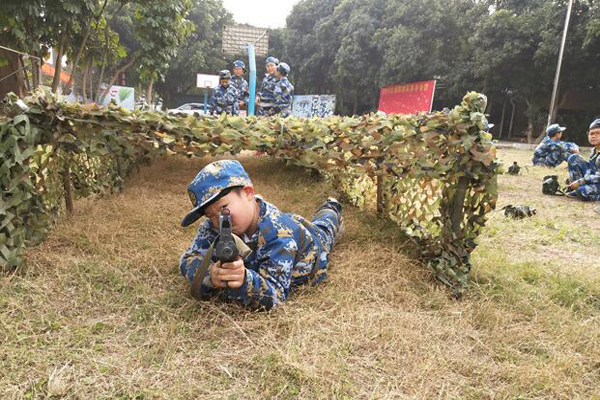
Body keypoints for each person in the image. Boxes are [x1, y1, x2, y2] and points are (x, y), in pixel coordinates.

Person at [179, 160, 343, 310]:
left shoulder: (280, 235)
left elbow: (276, 296)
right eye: (210, 216)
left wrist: (244, 280)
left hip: (313, 241)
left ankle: (332, 206)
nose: (218, 220)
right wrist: (210, 275)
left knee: (325, 227)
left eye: (224, 209)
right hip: (287, 223)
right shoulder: (216, 222)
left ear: (248, 193)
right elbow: (187, 259)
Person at [566, 118, 600, 200]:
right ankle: (577, 187)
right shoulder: (594, 151)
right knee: (574, 158)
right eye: (591, 134)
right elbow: (592, 170)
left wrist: (582, 181)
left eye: (598, 133)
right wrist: (573, 179)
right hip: (595, 180)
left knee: (582, 191)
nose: (594, 136)